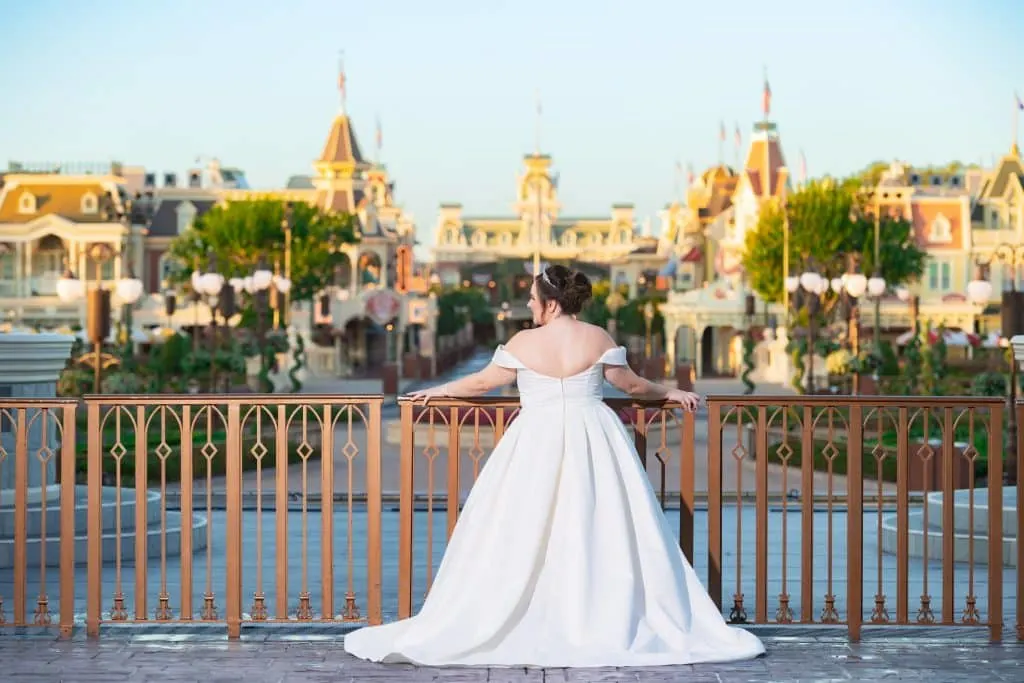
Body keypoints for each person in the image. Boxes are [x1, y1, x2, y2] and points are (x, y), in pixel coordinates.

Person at [344, 265, 765, 668]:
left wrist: (437, 391)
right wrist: (671, 393)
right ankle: (599, 612)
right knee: (600, 524)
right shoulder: (597, 336)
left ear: (549, 302)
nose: (528, 305)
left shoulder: (525, 343)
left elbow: (480, 383)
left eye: (531, 299)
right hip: (594, 436)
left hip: (535, 439)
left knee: (522, 526)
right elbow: (632, 386)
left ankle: (524, 611)